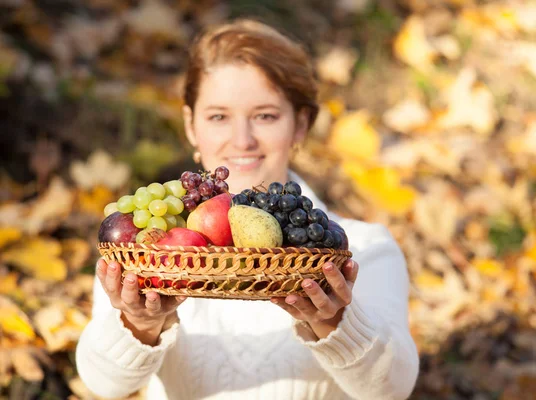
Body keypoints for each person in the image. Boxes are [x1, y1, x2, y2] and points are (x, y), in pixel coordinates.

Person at [76, 19, 419, 400]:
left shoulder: (364, 249)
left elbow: (394, 390)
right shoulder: (147, 248)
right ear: (191, 125)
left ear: (301, 125)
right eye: (218, 116)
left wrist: (336, 322)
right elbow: (102, 384)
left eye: (265, 116)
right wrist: (139, 324)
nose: (242, 140)